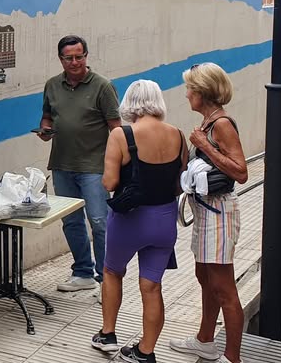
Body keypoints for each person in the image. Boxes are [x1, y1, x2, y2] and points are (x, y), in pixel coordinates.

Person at [91, 80, 187, 363]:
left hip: (129, 219)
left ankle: (108, 335)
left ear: (130, 102)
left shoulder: (121, 135)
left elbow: (109, 182)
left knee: (112, 272)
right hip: (165, 219)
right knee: (152, 286)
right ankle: (145, 351)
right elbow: (179, 184)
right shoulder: (179, 136)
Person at [169, 63, 248, 363]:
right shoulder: (208, 123)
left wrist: (204, 146)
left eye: (190, 88)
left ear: (203, 92)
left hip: (218, 212)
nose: (186, 93)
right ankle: (205, 339)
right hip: (205, 212)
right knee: (205, 277)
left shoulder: (221, 125)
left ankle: (232, 357)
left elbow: (241, 172)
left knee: (224, 287)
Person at [38, 34, 121, 293]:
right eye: (69, 58)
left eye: (79, 56)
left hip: (94, 167)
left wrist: (117, 166)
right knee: (71, 221)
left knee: (99, 221)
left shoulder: (102, 87)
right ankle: (82, 272)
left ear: (86, 56)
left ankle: (107, 278)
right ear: (60, 59)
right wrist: (45, 130)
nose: (75, 62)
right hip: (62, 165)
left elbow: (116, 129)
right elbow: (47, 117)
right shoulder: (52, 85)